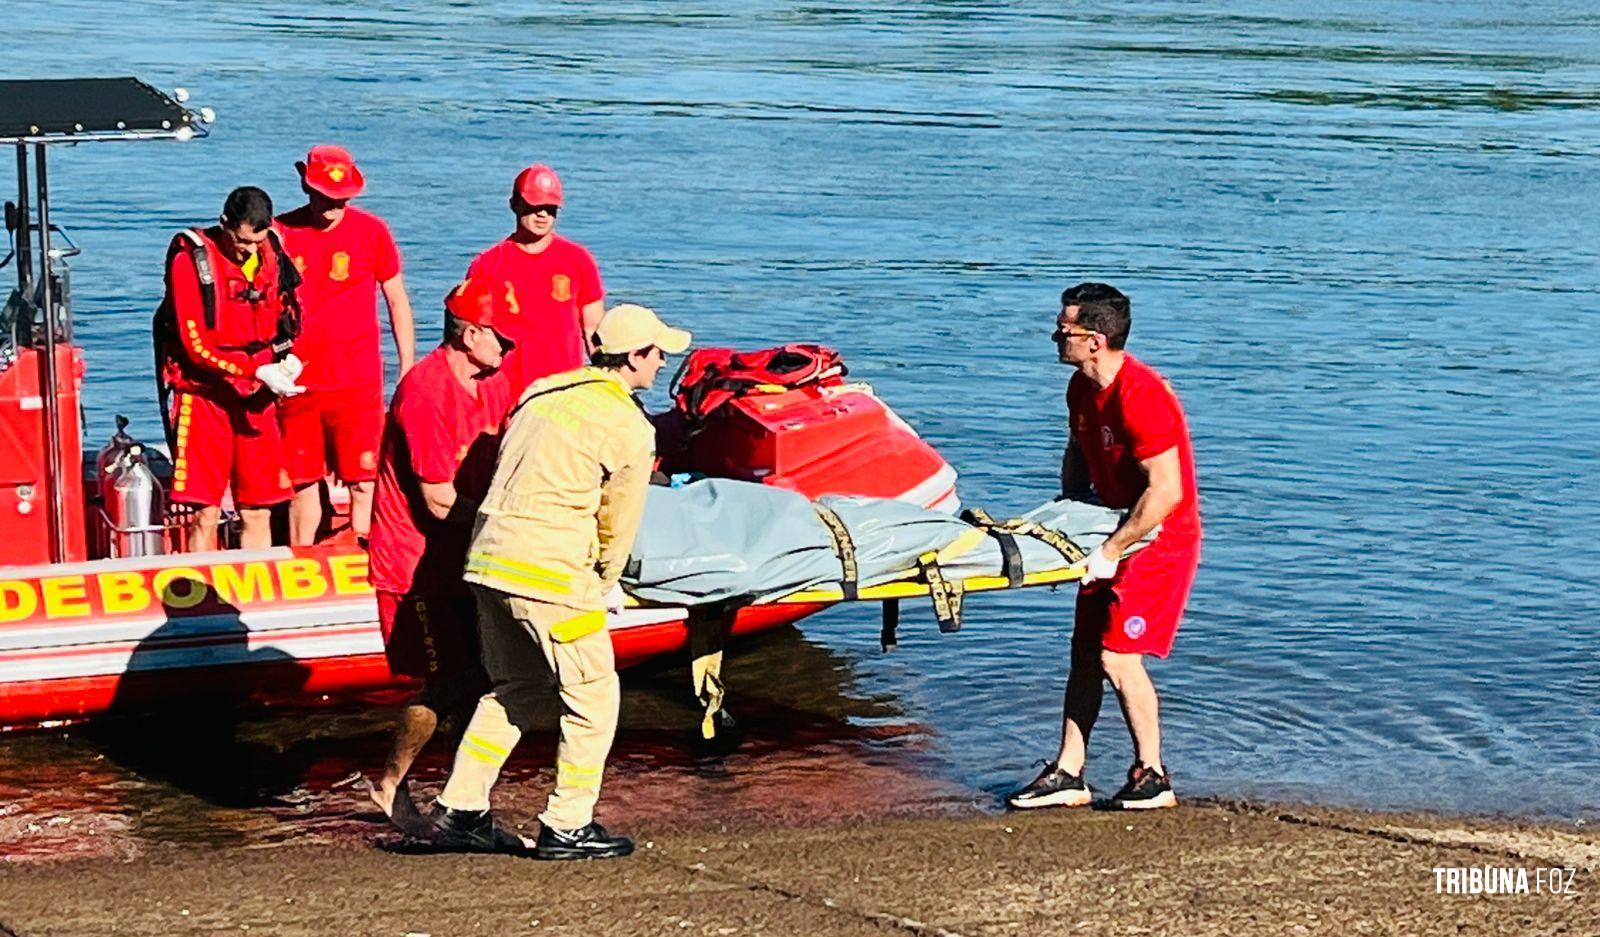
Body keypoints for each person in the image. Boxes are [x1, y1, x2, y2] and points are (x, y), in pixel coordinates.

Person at [415, 303, 690, 861]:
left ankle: (460, 809)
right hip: (551, 575)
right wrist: (606, 583)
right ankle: (567, 823)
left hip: (488, 564)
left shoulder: (542, 391)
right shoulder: (630, 426)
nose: (662, 362)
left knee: (516, 689)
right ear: (632, 358)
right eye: (657, 352)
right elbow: (618, 521)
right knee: (594, 696)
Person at [1007, 283, 1201, 811]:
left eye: (1063, 330)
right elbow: (1078, 450)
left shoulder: (1142, 395)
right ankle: (1069, 772)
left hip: (1159, 539)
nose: (1054, 337)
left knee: (1117, 657)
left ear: (1095, 339)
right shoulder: (1079, 388)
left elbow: (1167, 492)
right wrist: (1066, 524)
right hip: (1108, 530)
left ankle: (1153, 775)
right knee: (1084, 655)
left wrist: (1112, 550)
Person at [366, 277, 515, 817]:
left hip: (468, 556)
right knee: (451, 679)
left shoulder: (494, 379)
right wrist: (512, 525)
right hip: (416, 565)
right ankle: (391, 782)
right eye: (504, 336)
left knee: (486, 675)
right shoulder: (426, 391)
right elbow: (436, 501)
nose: (510, 346)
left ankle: (463, 795)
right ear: (471, 334)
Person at [276, 144, 414, 545]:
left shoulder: (372, 232)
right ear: (304, 180)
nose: (332, 206)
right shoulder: (281, 233)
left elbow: (396, 299)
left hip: (356, 382)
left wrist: (407, 366)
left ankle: (363, 564)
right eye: (324, 195)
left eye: (341, 198)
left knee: (364, 481)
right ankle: (302, 563)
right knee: (301, 486)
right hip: (297, 383)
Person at [159, 186, 304, 551]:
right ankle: (200, 597)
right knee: (202, 514)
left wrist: (287, 359)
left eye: (257, 242)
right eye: (242, 242)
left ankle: (256, 596)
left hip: (258, 396)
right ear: (224, 224)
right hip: (205, 396)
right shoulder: (190, 261)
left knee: (258, 509)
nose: (250, 250)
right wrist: (252, 371)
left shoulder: (272, 251)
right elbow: (195, 347)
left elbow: (288, 315)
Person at [463, 163, 604, 396]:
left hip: (563, 393)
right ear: (514, 204)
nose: (542, 214)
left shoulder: (579, 260)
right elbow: (470, 338)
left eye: (550, 208)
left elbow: (594, 331)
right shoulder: (486, 265)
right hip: (504, 394)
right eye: (535, 204)